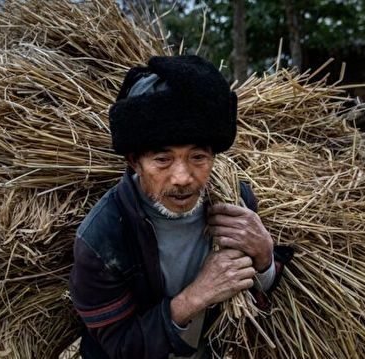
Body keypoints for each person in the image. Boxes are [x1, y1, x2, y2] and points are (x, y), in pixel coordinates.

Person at [69, 56, 293, 359]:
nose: (183, 178)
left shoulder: (236, 203)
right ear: (135, 162)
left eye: (198, 157)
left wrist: (265, 257)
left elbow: (258, 297)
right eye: (162, 159)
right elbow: (121, 347)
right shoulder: (102, 238)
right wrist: (195, 296)